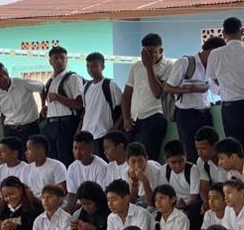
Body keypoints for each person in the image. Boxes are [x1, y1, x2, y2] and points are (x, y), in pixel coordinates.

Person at [206, 17, 244, 155]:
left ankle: (236, 169)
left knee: (233, 149)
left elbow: (213, 79)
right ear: (241, 32)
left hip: (229, 107)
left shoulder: (215, 54)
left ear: (223, 33)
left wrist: (227, 84)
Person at [163, 38, 220, 162]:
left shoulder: (211, 67)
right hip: (187, 114)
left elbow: (216, 89)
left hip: (205, 113)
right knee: (191, 152)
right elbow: (168, 87)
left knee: (211, 152)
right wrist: (189, 89)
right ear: (212, 52)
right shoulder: (185, 62)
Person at [121, 33, 169, 161]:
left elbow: (157, 93)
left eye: (152, 52)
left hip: (154, 117)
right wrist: (126, 119)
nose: (148, 56)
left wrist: (149, 67)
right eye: (145, 52)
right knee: (130, 158)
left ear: (161, 51)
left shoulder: (169, 66)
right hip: (135, 119)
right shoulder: (136, 66)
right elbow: (127, 94)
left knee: (146, 158)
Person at [41, 45, 83, 165]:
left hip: (66, 124)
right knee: (52, 161)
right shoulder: (50, 81)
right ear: (50, 61)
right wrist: (45, 109)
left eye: (62, 57)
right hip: (51, 124)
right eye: (56, 58)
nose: (59, 61)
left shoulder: (72, 78)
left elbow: (79, 104)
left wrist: (58, 97)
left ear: (67, 59)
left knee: (66, 160)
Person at [79, 52, 123, 152]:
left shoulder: (110, 85)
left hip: (102, 134)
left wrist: (114, 128)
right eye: (88, 66)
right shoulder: (86, 87)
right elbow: (86, 110)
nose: (90, 69)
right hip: (87, 136)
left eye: (94, 66)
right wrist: (79, 130)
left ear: (102, 66)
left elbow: (123, 108)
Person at [0, 61, 43, 141]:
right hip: (11, 131)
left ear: (7, 70)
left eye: (5, 73)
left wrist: (43, 105)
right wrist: (5, 133)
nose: (4, 77)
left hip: (31, 128)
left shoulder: (22, 83)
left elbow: (42, 88)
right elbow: (2, 115)